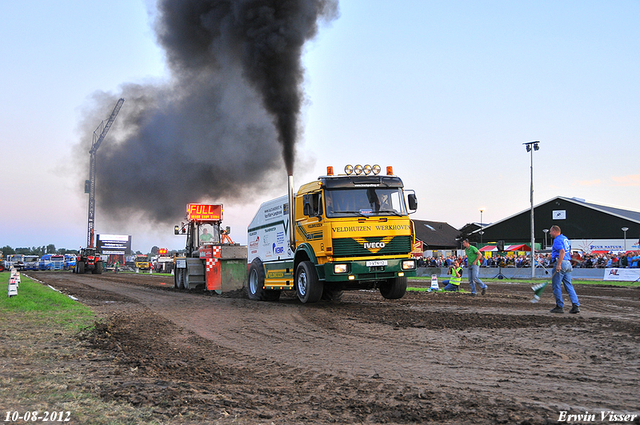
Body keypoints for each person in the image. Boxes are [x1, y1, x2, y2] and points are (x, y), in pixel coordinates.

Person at [549, 225, 580, 314]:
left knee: (556, 285)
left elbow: (562, 251)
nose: (550, 233)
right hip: (567, 263)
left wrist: (558, 264)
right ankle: (575, 305)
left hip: (561, 262)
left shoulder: (557, 239)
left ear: (554, 231)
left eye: (551, 231)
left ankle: (559, 306)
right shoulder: (565, 238)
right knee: (568, 285)